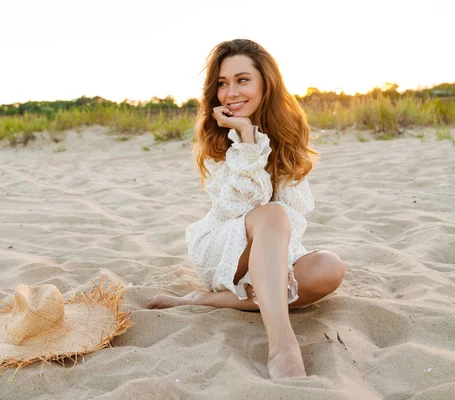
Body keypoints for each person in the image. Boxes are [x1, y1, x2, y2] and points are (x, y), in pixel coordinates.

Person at [147, 39, 345, 379]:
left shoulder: (289, 133)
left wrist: (282, 262)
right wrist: (245, 136)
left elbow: (292, 215)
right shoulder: (217, 139)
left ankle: (204, 301)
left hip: (271, 248)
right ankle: (282, 343)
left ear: (265, 83)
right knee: (271, 214)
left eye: (242, 80)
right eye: (222, 84)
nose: (230, 93)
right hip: (223, 247)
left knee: (329, 267)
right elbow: (243, 207)